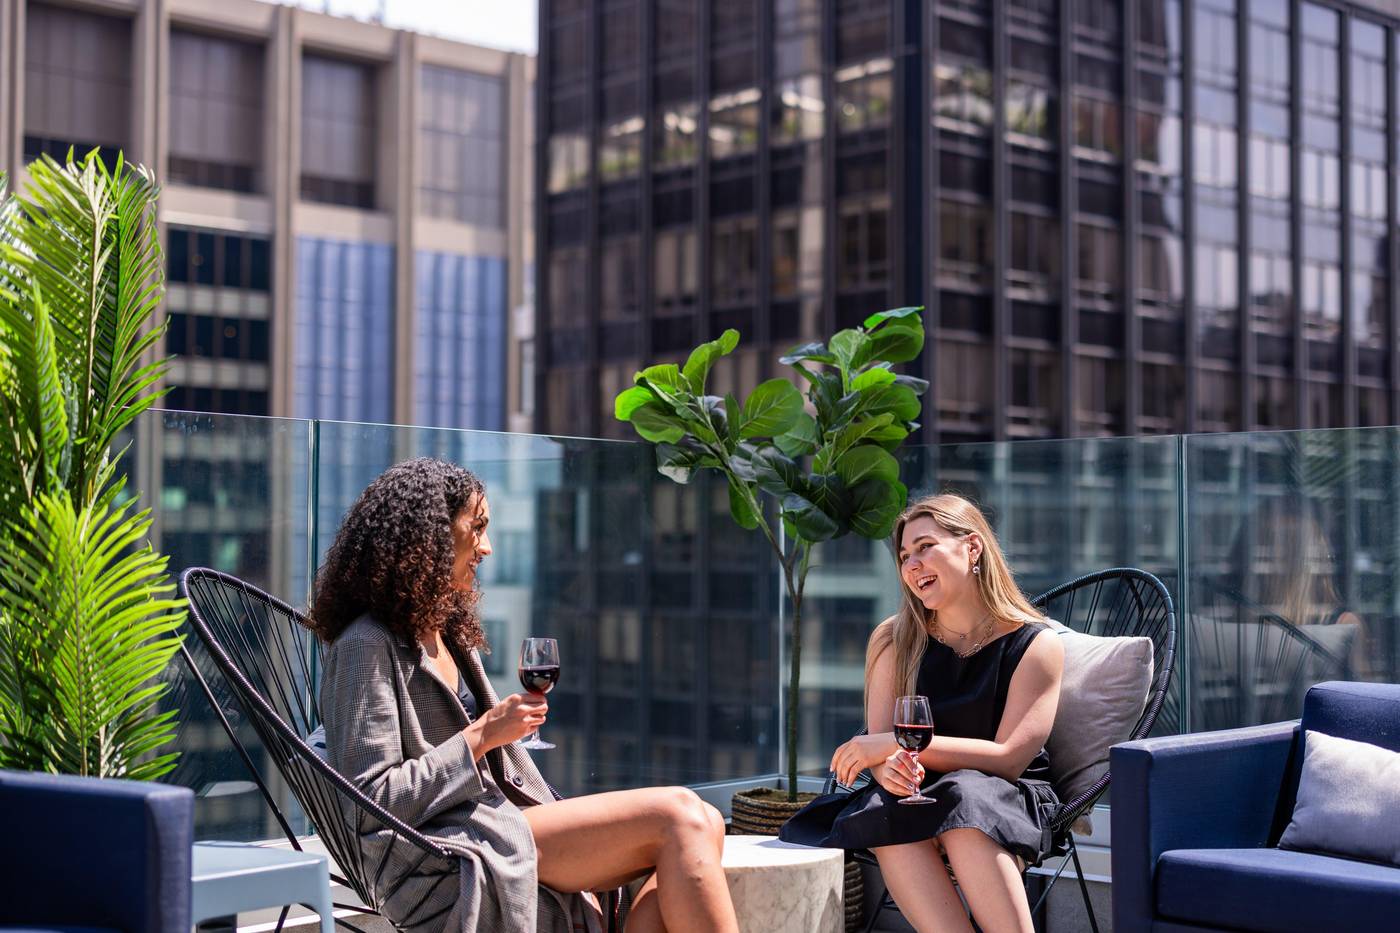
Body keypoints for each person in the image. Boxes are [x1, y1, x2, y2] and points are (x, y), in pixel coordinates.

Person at [311, 457, 738, 933]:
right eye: (477, 527)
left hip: (496, 820)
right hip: (443, 849)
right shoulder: (366, 644)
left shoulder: (445, 631)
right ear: (429, 534)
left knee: (707, 819)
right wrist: (483, 735)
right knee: (680, 816)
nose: (487, 547)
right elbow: (370, 799)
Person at [780, 493, 1065, 933]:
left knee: (965, 800)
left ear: (972, 547)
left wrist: (894, 744)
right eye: (903, 557)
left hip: (1007, 793)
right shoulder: (894, 640)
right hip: (922, 791)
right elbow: (881, 756)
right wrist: (890, 770)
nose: (911, 565)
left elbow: (1009, 758)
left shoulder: (1036, 645)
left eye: (925, 547)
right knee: (886, 809)